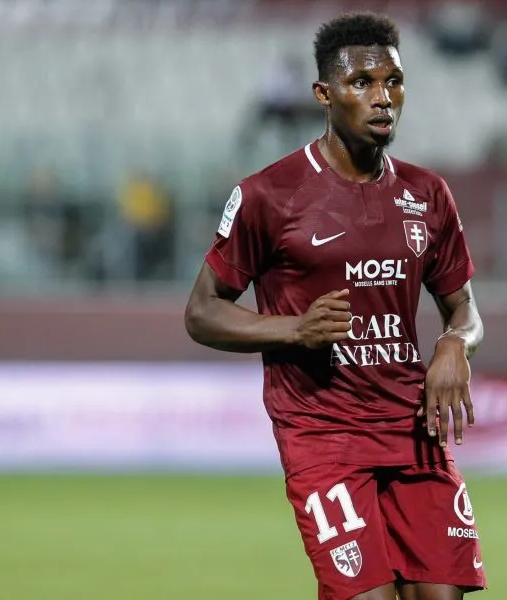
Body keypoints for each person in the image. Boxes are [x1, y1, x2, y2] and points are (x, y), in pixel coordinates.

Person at [184, 12, 486, 600]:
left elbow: (465, 311)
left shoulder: (427, 195)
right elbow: (201, 312)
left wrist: (455, 343)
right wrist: (295, 329)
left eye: (393, 82)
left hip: (413, 428)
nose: (383, 98)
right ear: (324, 94)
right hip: (323, 435)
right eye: (362, 83)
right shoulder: (269, 195)